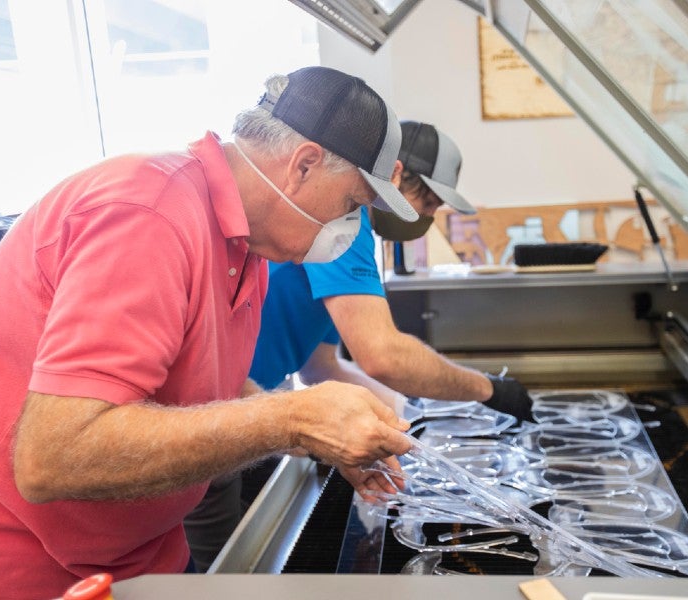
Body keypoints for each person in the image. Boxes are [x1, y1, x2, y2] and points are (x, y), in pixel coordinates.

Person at [0, 66, 418, 599]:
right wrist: (291, 419)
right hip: (36, 568)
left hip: (141, 555)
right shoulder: (147, 213)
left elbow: (204, 388)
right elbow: (54, 456)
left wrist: (322, 436)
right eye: (351, 205)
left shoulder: (243, 242)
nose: (350, 227)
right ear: (303, 165)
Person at [183, 121, 534, 571]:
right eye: (425, 201)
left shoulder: (349, 233)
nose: (425, 217)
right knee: (228, 572)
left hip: (248, 407)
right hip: (212, 415)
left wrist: (400, 422)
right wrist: (488, 390)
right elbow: (382, 355)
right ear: (395, 175)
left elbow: (322, 367)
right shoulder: (345, 227)